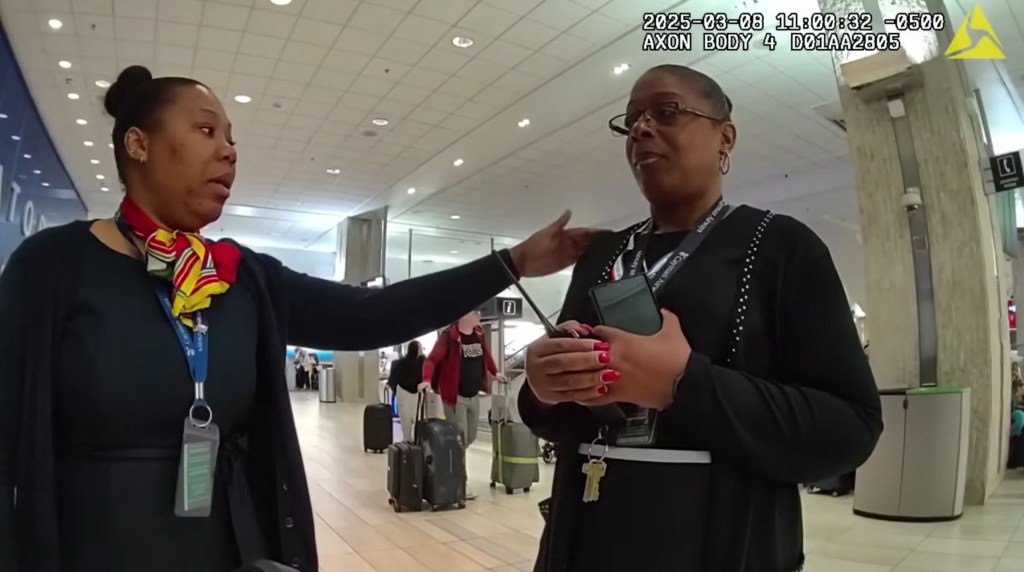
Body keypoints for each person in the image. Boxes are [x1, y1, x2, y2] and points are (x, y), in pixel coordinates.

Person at [0, 65, 601, 572]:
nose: (228, 151)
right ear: (138, 144)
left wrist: (512, 262)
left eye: (231, 138)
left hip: (225, 543)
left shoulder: (240, 277)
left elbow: (372, 315)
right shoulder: (55, 268)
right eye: (206, 130)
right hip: (93, 546)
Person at [518, 64, 882, 571]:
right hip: (586, 534)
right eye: (632, 120)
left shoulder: (781, 248)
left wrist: (684, 385)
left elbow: (850, 428)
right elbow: (559, 418)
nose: (641, 129)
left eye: (666, 111)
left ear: (724, 138)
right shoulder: (603, 256)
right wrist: (543, 386)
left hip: (723, 541)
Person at [422, 311, 506, 500]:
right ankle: (461, 480)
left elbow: (486, 356)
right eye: (475, 312)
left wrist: (496, 372)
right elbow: (432, 360)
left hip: (473, 395)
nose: (479, 314)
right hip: (455, 397)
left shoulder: (478, 333)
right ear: (463, 315)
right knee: (460, 439)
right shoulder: (449, 337)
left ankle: (447, 459)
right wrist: (427, 380)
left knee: (470, 436)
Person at [388, 340, 426, 441]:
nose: (422, 349)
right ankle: (414, 440)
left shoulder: (401, 363)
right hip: (415, 392)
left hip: (404, 391)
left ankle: (407, 439)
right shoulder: (422, 362)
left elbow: (394, 378)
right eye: (420, 347)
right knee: (416, 417)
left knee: (405, 418)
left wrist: (393, 387)